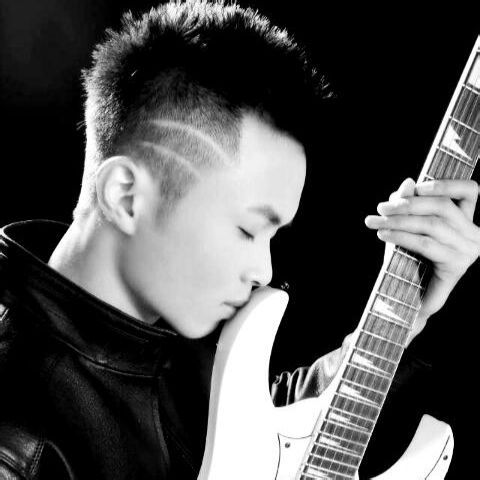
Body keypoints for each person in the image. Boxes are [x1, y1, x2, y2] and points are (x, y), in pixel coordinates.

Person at [0, 1, 478, 478]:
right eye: (247, 229)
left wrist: (404, 314)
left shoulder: (165, 333)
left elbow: (267, 433)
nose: (264, 271)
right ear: (126, 197)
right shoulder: (16, 445)